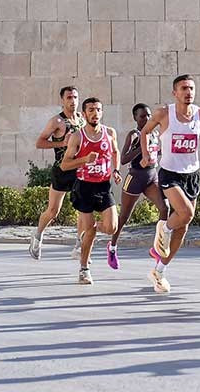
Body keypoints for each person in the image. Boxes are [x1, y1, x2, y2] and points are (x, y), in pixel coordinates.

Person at [138, 74, 200, 294]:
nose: (188, 92)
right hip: (170, 173)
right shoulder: (165, 113)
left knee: (183, 227)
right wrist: (146, 155)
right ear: (175, 92)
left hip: (191, 174)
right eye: (183, 88)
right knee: (186, 213)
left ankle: (159, 271)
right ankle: (163, 227)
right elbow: (145, 132)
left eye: (191, 88)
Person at [59, 97, 122, 284]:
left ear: (102, 112)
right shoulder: (77, 137)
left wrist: (116, 170)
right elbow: (64, 165)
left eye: (98, 110)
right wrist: (84, 159)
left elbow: (115, 152)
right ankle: (84, 269)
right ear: (84, 114)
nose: (95, 113)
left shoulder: (110, 133)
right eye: (91, 110)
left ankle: (88, 232)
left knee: (111, 227)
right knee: (91, 231)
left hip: (103, 185)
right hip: (84, 187)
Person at [106, 103, 168, 269]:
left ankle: (157, 247)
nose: (146, 118)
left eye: (148, 115)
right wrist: (141, 149)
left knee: (164, 208)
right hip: (135, 177)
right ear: (135, 118)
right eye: (142, 116)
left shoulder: (154, 133)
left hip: (151, 176)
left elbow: (157, 151)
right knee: (124, 216)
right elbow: (124, 158)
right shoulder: (134, 135)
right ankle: (112, 247)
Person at [28, 86, 85, 260]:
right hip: (62, 169)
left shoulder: (82, 119)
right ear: (62, 100)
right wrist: (61, 144)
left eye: (75, 97)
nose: (73, 101)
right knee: (53, 210)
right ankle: (37, 236)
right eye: (69, 97)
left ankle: (79, 245)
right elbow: (39, 142)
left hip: (80, 169)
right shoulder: (57, 122)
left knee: (84, 209)